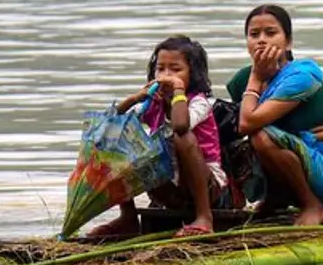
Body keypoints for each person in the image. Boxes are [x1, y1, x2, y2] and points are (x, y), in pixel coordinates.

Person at [87, 35, 233, 239]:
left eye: (176, 69)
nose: (166, 75)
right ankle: (128, 217)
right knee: (115, 138)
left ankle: (204, 217)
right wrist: (135, 98)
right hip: (169, 185)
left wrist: (178, 91)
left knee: (182, 136)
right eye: (161, 68)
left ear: (193, 73)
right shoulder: (151, 105)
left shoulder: (199, 102)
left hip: (207, 187)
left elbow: (181, 125)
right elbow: (108, 125)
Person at [225, 4, 323, 225]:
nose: (261, 40)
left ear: (288, 42)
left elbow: (247, 123)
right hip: (286, 169)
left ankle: (312, 204)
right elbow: (236, 129)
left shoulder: (302, 75)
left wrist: (256, 78)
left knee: (262, 136)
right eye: (254, 34)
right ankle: (275, 199)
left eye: (271, 33)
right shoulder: (242, 79)